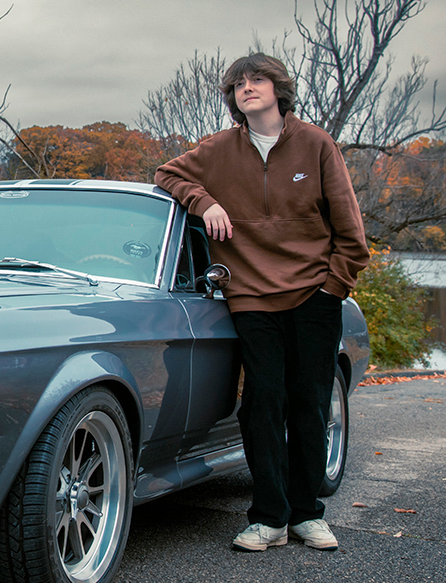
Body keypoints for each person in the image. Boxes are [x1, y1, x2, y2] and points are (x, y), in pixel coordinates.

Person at [155, 53, 369, 552]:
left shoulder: (316, 145)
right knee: (261, 403)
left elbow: (351, 232)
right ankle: (268, 517)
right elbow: (167, 174)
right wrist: (204, 201)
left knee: (309, 402)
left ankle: (307, 515)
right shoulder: (217, 150)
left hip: (315, 294)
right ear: (232, 98)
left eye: (257, 80)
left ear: (278, 89)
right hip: (250, 296)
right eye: (238, 84)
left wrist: (332, 287)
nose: (247, 88)